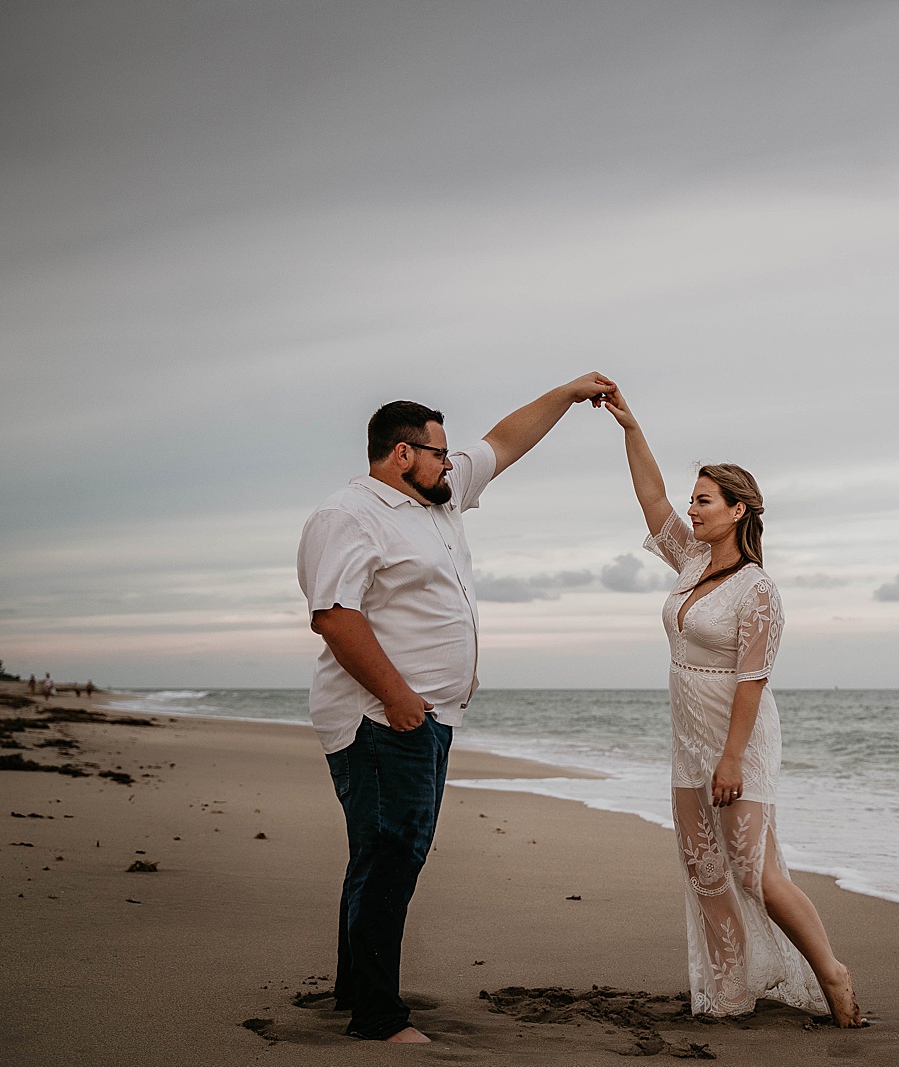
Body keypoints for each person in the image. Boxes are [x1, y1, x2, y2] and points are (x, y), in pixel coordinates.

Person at [297, 373, 614, 1043]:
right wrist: (398, 697)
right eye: (440, 453)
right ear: (401, 454)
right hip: (382, 719)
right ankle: (379, 1017)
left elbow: (505, 440)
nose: (453, 461)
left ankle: (355, 988)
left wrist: (568, 392)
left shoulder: (439, 498)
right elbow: (334, 615)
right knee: (393, 855)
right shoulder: (348, 514)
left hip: (431, 716)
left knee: (378, 854)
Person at [601, 387, 862, 1027]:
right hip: (688, 741)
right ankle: (727, 996)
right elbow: (650, 498)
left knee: (755, 875)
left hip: (737, 743)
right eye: (693, 499)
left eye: (705, 501)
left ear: (737, 510)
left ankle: (832, 972)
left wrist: (732, 759)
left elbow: (752, 680)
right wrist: (631, 428)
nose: (691, 510)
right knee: (705, 874)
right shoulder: (690, 562)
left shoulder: (759, 590)